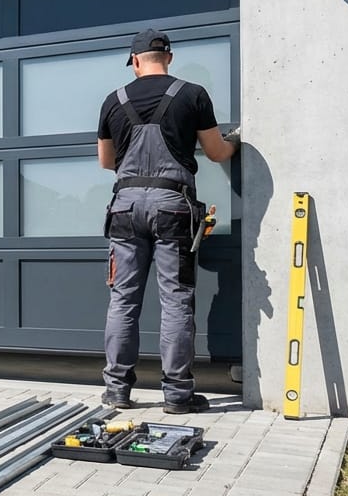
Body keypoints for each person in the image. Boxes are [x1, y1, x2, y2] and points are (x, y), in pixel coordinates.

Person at [96, 29, 240, 414]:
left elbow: (106, 162)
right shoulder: (192, 95)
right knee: (175, 300)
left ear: (136, 61)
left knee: (123, 299)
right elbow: (216, 152)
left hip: (125, 208)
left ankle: (117, 392)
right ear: (169, 58)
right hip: (172, 206)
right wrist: (237, 142)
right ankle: (177, 396)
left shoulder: (114, 100)